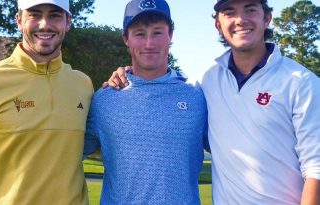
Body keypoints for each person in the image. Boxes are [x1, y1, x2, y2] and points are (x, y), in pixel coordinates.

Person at [106, 0, 320, 204]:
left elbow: (316, 168)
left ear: (267, 18)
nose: (240, 19)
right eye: (229, 12)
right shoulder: (208, 82)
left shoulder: (302, 83)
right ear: (218, 24)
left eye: (250, 9)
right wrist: (125, 76)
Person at [0, 0, 93, 204]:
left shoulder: (84, 85)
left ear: (68, 22)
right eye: (34, 14)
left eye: (55, 15)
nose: (44, 24)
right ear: (19, 20)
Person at [83, 0, 208, 204]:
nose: (149, 44)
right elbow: (68, 153)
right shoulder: (104, 99)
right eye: (140, 34)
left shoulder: (196, 98)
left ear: (171, 36)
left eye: (157, 32)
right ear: (126, 39)